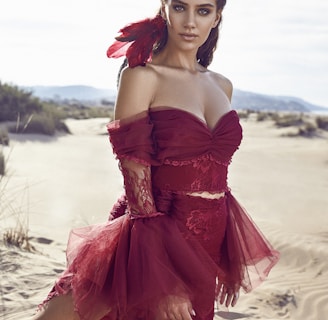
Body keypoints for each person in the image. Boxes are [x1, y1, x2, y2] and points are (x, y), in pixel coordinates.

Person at [32, 0, 279, 319]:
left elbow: (216, 177)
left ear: (217, 17)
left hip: (208, 236)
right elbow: (134, 174)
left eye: (203, 11)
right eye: (180, 7)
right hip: (152, 229)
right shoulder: (142, 75)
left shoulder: (222, 85)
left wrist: (227, 255)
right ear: (164, 8)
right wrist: (160, 282)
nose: (190, 22)